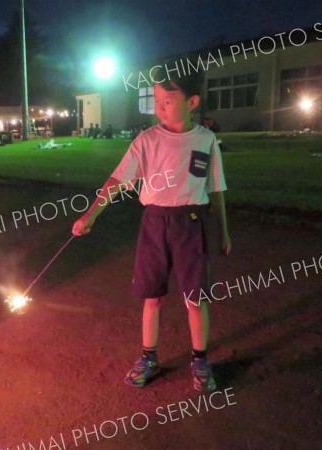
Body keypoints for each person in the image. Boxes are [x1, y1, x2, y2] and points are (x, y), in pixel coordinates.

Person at [72, 66, 230, 392]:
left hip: (191, 223)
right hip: (155, 224)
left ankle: (200, 359)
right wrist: (91, 215)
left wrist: (224, 231)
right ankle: (148, 357)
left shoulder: (205, 140)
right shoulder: (147, 141)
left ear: (192, 102)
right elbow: (118, 179)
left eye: (168, 100)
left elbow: (216, 189)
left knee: (195, 297)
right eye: (156, 99)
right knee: (151, 296)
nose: (160, 106)